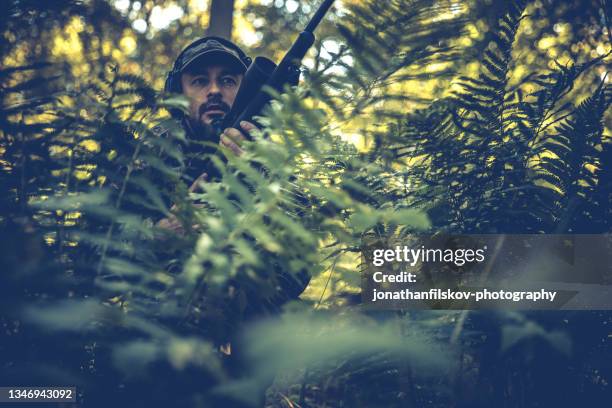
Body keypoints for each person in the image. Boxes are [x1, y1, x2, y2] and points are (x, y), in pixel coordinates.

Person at [155, 36, 258, 232]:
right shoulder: (150, 151)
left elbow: (305, 230)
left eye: (227, 81)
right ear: (178, 93)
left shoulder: (264, 149)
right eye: (199, 81)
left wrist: (259, 173)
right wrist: (157, 235)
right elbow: (94, 239)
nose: (214, 91)